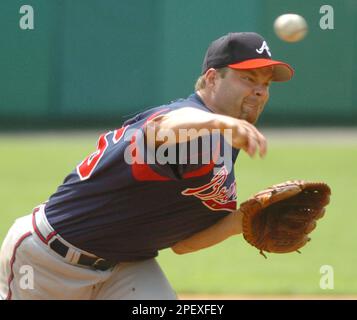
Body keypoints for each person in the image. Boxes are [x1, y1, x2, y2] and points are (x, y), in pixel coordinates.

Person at [0, 32, 294, 300]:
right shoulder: (188, 119)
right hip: (47, 260)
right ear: (213, 78)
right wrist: (219, 122)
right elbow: (160, 129)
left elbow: (183, 245)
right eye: (248, 79)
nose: (260, 92)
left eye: (265, 84)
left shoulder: (227, 139)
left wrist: (241, 220)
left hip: (127, 265)